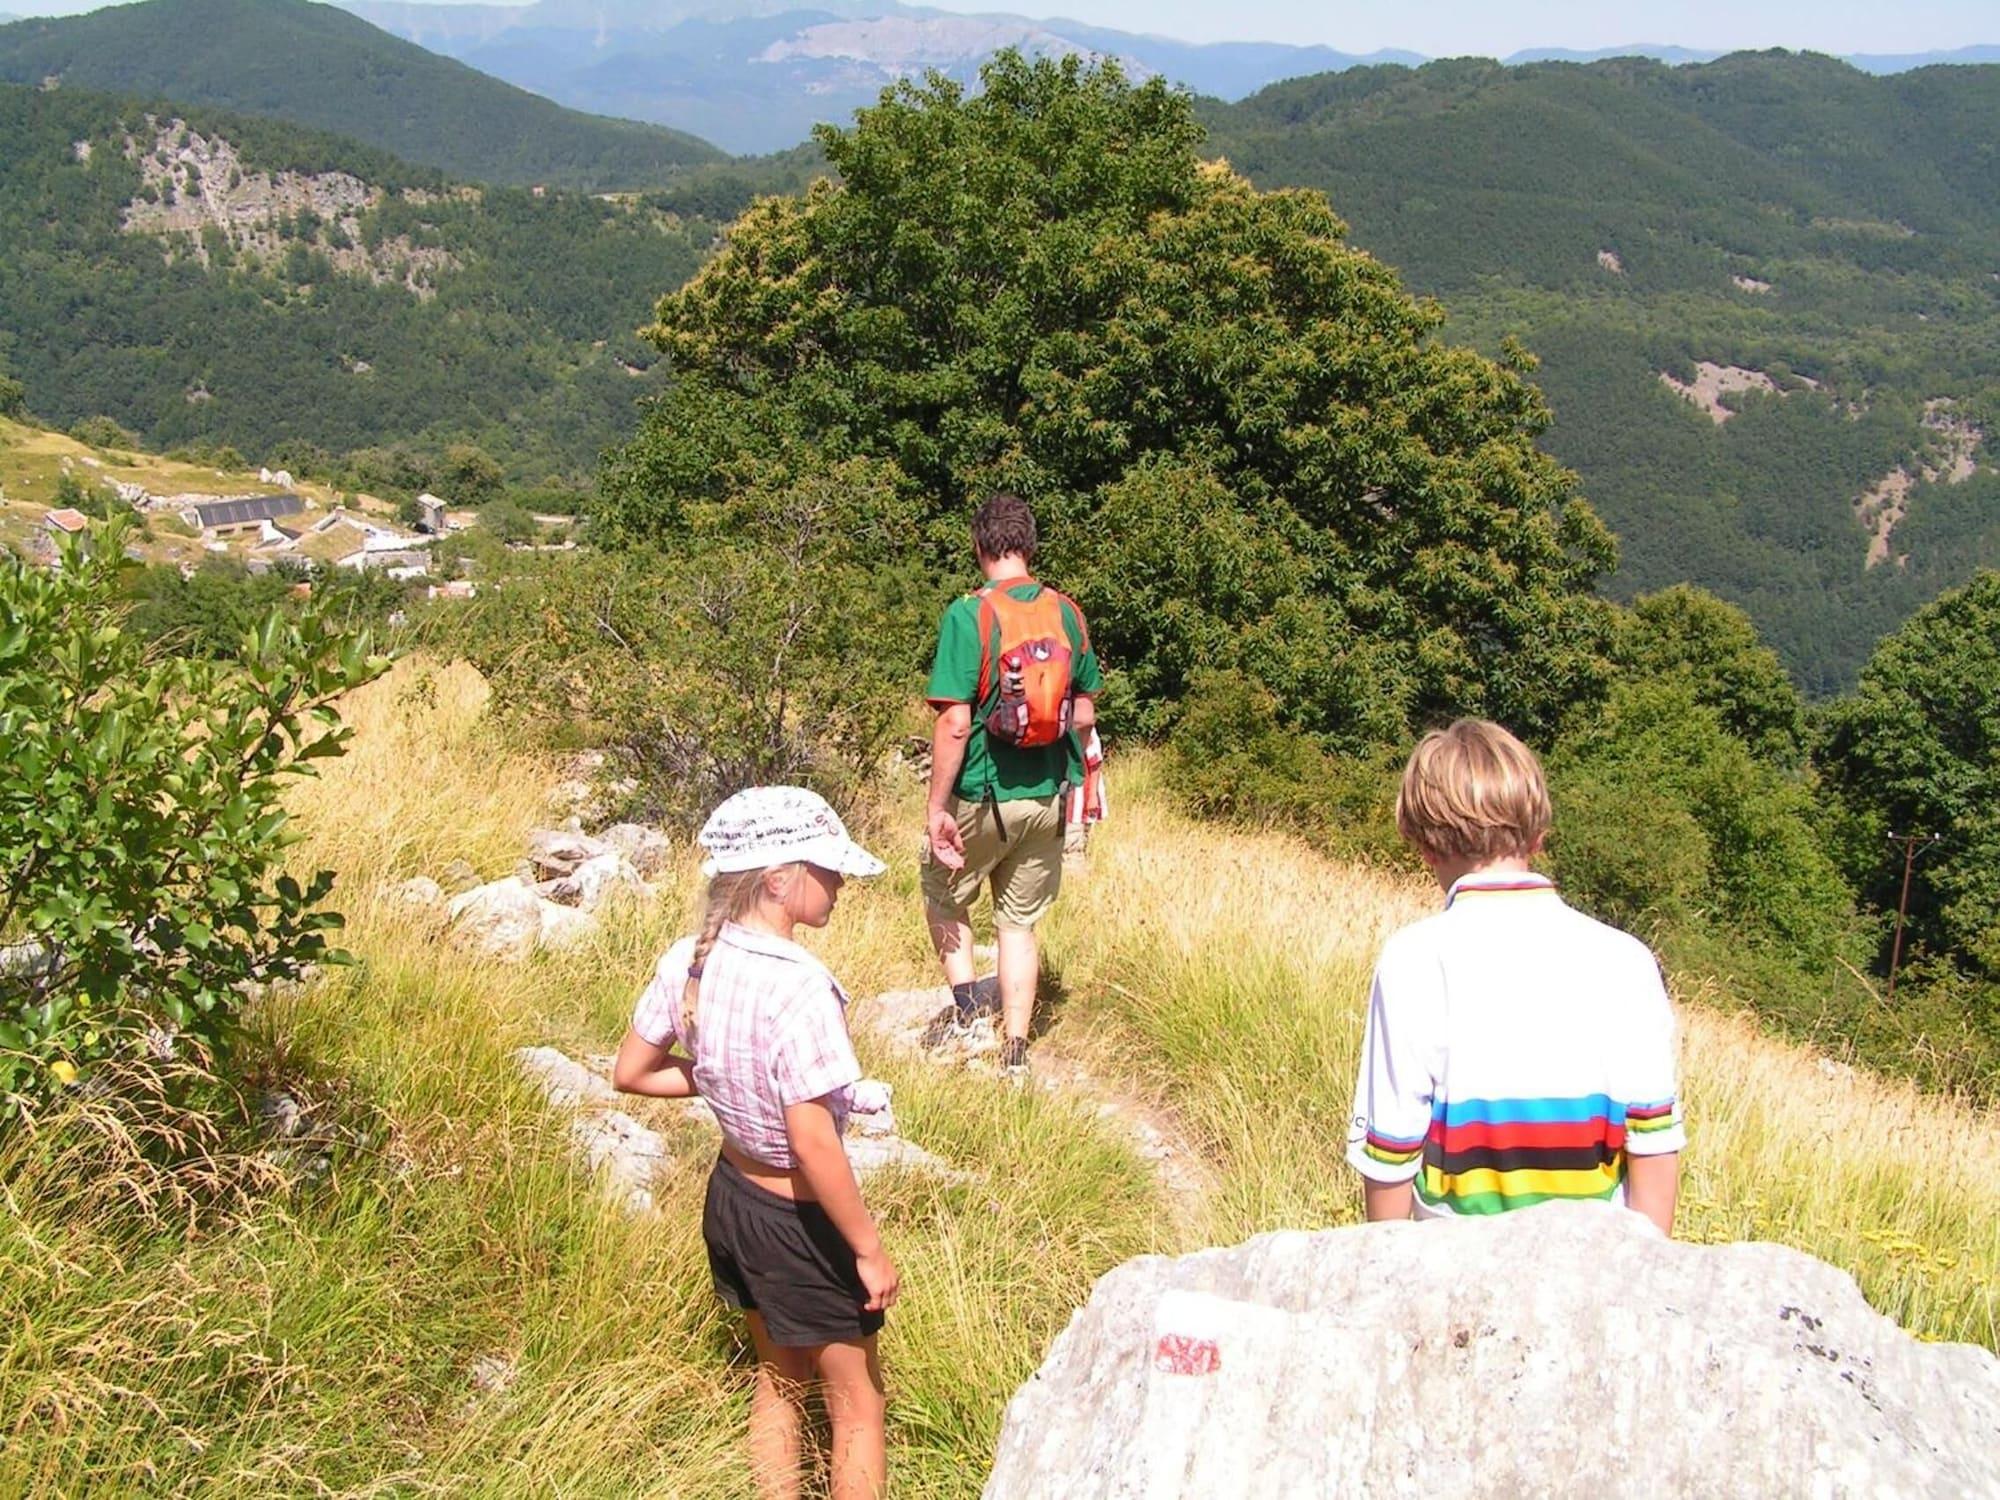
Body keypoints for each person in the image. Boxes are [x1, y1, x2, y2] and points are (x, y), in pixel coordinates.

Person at [613, 785, 898, 1500]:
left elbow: (632, 1071)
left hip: (733, 1199)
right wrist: (867, 1249)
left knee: (779, 1380)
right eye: (828, 870)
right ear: (778, 880)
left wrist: (720, 1075)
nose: (840, 884)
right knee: (858, 1405)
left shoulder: (690, 958)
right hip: (800, 1220)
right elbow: (812, 1141)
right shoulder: (801, 986)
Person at [1346, 720, 1685, 1233]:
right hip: (1597, 1258)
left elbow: (1391, 1155)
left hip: (1455, 1257)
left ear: (1425, 846)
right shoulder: (1627, 961)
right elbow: (1653, 1147)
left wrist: (1385, 1269)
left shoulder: (1412, 959)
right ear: (1539, 836)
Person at [921, 493, 1102, 1080]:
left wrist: (936, 807)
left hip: (982, 793)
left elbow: (955, 722)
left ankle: (970, 1017)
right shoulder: (1066, 613)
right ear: (1030, 545)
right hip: (1049, 795)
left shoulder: (968, 615)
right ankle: (1017, 1052)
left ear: (979, 545)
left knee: (944, 893)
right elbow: (1083, 713)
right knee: (1018, 923)